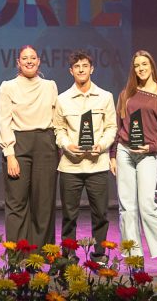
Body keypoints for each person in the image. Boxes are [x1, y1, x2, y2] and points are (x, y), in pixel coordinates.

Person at [114, 50, 157, 275]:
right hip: (125, 152)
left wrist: (150, 147)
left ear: (152, 66)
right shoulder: (126, 94)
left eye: (144, 64)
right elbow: (119, 127)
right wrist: (114, 154)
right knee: (126, 207)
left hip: (147, 155)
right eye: (137, 65)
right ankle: (134, 259)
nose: (140, 68)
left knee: (147, 205)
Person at [54, 50, 117, 265]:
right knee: (69, 215)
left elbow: (111, 127)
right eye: (77, 67)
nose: (81, 70)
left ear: (92, 68)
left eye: (85, 66)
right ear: (71, 71)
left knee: (100, 214)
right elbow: (58, 129)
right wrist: (67, 146)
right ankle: (68, 255)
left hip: (97, 165)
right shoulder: (62, 99)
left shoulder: (106, 96)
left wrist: (101, 146)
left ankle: (99, 255)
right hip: (70, 166)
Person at [0, 45, 59, 248]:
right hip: (19, 145)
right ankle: (17, 256)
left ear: (39, 61)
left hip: (45, 144)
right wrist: (10, 154)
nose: (29, 61)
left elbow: (57, 119)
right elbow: (4, 121)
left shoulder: (50, 85)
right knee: (17, 203)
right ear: (18, 62)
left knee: (44, 203)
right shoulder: (8, 86)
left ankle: (41, 255)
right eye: (25, 58)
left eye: (33, 57)